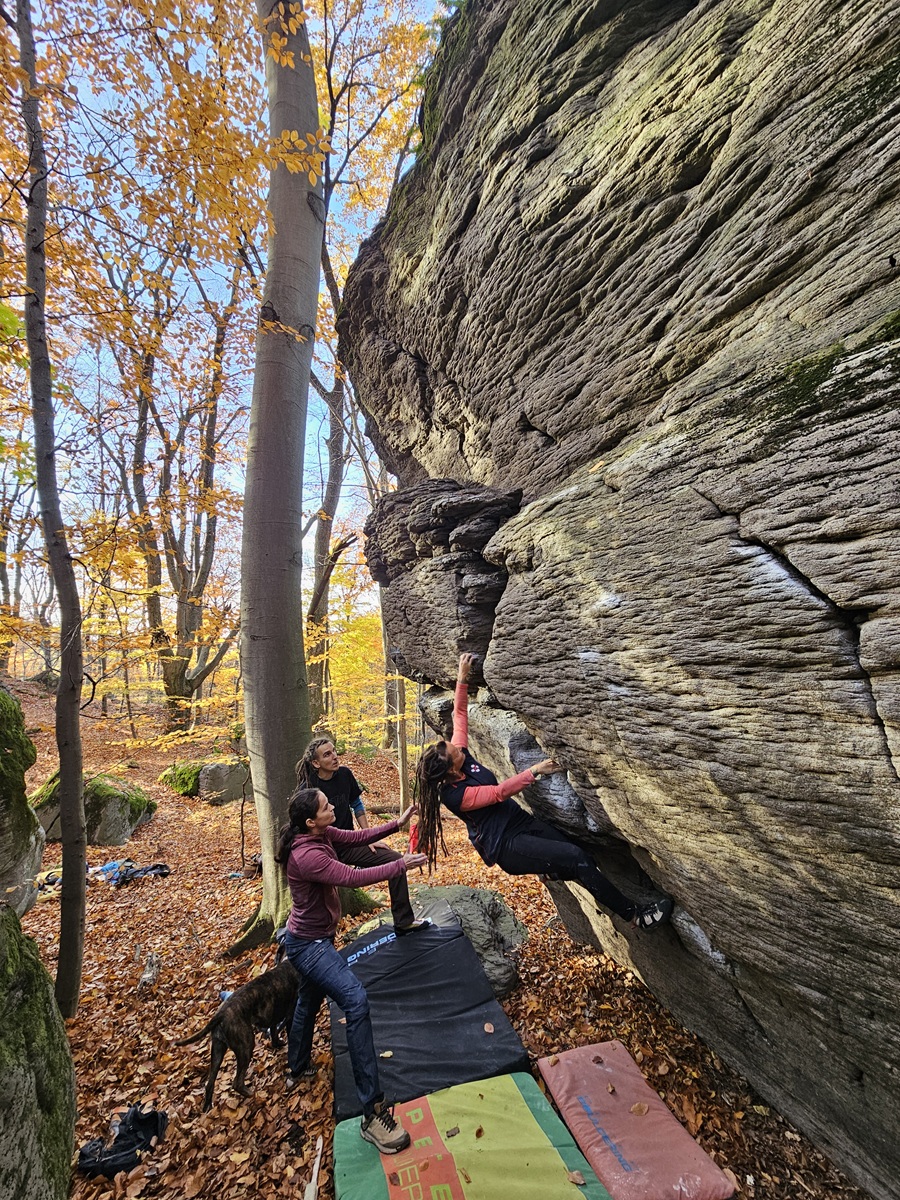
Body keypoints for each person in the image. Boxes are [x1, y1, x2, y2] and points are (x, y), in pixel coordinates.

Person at [413, 653, 673, 931]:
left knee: (581, 853)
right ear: (452, 770)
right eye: (455, 751)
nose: (458, 746)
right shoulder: (455, 795)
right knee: (577, 859)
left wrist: (462, 679)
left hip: (520, 822)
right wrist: (536, 770)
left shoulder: (460, 756)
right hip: (506, 845)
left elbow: (460, 715)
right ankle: (635, 916)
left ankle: (550, 869)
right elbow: (499, 793)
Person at [275, 787, 427, 1154]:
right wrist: (398, 865)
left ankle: (296, 1067)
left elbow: (356, 836)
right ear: (310, 821)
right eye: (327, 806)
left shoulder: (320, 833)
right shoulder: (307, 854)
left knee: (308, 1000)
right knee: (355, 1001)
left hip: (312, 939)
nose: (333, 808)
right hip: (308, 945)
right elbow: (350, 877)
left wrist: (396, 824)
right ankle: (373, 1115)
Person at [295, 738, 430, 934]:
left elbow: (356, 805)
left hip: (348, 844)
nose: (334, 756)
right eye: (327, 754)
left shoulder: (344, 775)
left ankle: (404, 920)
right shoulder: (308, 788)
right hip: (322, 851)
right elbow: (352, 877)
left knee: (394, 860)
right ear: (316, 763)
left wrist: (371, 838)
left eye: (334, 751)